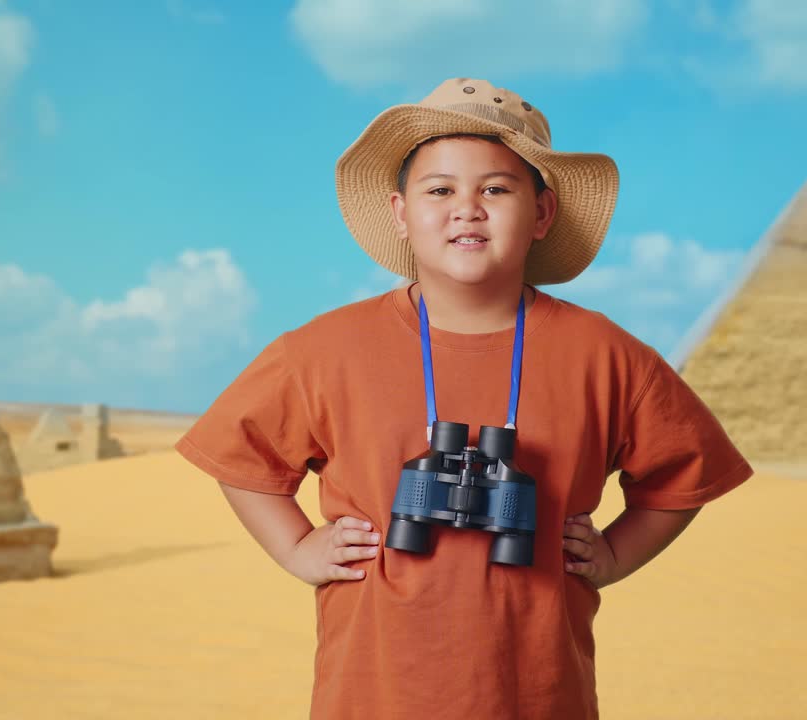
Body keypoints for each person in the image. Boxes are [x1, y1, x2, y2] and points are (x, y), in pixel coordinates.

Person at [174, 77, 752, 719]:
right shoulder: (324, 349)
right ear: (401, 213)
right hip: (375, 692)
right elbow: (238, 452)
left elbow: (685, 471)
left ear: (542, 214)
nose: (467, 208)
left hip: (535, 692)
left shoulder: (605, 354)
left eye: (497, 190)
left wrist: (614, 554)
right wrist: (296, 546)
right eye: (440, 189)